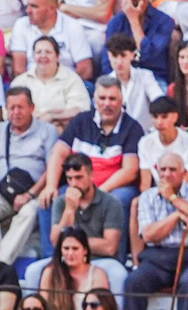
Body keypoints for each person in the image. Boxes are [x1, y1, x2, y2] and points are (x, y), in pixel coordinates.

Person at [40, 76, 143, 255]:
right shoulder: (81, 121)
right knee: (47, 202)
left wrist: (100, 191)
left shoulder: (132, 127)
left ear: (121, 100)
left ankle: (116, 257)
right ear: (94, 100)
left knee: (117, 201)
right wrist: (50, 186)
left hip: (114, 187)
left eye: (112, 99)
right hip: (78, 183)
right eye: (102, 98)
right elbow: (58, 153)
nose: (107, 104)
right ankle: (52, 259)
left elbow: (130, 170)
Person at [125, 152, 188, 310]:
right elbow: (148, 235)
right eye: (162, 169)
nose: (166, 174)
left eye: (172, 169)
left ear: (183, 172)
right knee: (133, 282)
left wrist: (173, 199)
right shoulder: (147, 197)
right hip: (157, 259)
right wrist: (176, 216)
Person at [0, 85, 60, 263]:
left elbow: (52, 166)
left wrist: (30, 194)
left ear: (31, 108)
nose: (15, 112)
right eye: (11, 108)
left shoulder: (47, 130)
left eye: (20, 107)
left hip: (33, 191)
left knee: (30, 211)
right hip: (2, 190)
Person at [44, 152, 125, 264]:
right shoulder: (61, 202)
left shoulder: (111, 203)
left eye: (78, 177)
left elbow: (110, 247)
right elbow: (55, 241)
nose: (74, 184)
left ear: (91, 175)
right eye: (69, 179)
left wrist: (73, 243)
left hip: (100, 260)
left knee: (118, 274)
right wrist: (69, 210)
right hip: (68, 259)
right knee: (33, 271)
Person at [104, 0, 177, 82]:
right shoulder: (116, 22)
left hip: (153, 78)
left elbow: (148, 56)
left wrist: (133, 20)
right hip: (121, 79)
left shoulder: (164, 21)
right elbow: (106, 61)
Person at [9, 0, 95, 81]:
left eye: (34, 6)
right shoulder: (21, 25)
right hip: (31, 84)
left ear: (52, 8)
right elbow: (19, 69)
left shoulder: (73, 26)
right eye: (27, 6)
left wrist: (56, 87)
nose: (28, 11)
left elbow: (85, 70)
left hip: (66, 84)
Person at [40, 226, 110, 310]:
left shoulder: (97, 274)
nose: (70, 253)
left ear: (85, 250)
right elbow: (42, 307)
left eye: (75, 248)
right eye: (66, 248)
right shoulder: (50, 273)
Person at [12, 35, 90, 130]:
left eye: (48, 52)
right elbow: (9, 112)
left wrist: (52, 115)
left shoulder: (71, 79)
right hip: (26, 131)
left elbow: (80, 110)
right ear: (33, 56)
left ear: (57, 56)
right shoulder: (20, 81)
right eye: (38, 52)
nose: (43, 56)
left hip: (61, 133)